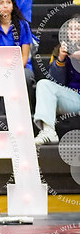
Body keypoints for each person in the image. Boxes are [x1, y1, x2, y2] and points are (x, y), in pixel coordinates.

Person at [34, 17, 80, 145]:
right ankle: (48, 131)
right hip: (71, 98)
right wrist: (60, 59)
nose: (73, 32)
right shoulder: (61, 49)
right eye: (70, 29)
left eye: (77, 29)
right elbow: (56, 81)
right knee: (43, 84)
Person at [0, 0, 35, 89]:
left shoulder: (23, 25)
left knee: (26, 76)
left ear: (13, 6)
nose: (5, 6)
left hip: (21, 67)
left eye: (8, 2)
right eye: (1, 3)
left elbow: (25, 56)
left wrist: (13, 71)